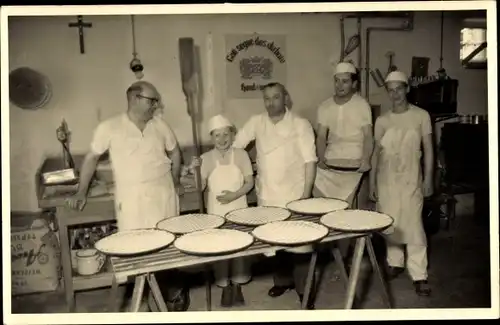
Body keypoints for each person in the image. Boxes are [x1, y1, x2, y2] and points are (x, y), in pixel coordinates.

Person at [66, 80, 190, 311]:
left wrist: (175, 181)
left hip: (163, 194)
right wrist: (81, 191)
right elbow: (92, 158)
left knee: (167, 249)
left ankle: (172, 294)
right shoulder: (109, 127)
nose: (156, 105)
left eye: (156, 101)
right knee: (136, 251)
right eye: (152, 100)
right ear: (134, 99)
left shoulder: (160, 125)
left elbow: (175, 152)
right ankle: (152, 301)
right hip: (132, 198)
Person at [232, 82, 317, 309]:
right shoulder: (256, 122)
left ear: (286, 98)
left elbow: (310, 161)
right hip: (268, 194)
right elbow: (235, 146)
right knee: (275, 244)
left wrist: (306, 194)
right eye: (267, 98)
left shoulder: (300, 124)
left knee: (300, 248)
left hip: (295, 194)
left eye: (276, 97)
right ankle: (282, 281)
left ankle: (305, 293)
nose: (271, 103)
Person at [369, 70, 434, 296]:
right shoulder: (382, 120)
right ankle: (395, 262)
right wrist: (372, 184)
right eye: (390, 89)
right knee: (391, 222)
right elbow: (376, 154)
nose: (395, 94)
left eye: (399, 88)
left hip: (411, 179)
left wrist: (428, 179)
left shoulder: (421, 116)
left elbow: (429, 150)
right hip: (386, 179)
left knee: (414, 226)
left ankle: (419, 274)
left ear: (407, 89)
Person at [191, 114, 255, 307]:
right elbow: (199, 187)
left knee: (239, 246)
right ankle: (224, 286)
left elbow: (249, 182)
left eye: (225, 134)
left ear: (232, 135)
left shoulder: (241, 154)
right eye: (217, 135)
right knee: (220, 248)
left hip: (238, 208)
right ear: (211, 138)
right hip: (216, 211)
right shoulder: (205, 159)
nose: (222, 139)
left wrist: (233, 196)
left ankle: (237, 285)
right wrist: (195, 170)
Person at [313, 61, 374, 261]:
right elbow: (321, 137)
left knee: (346, 212)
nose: (340, 86)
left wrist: (365, 160)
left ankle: (346, 255)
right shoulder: (325, 106)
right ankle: (326, 249)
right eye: (337, 81)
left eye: (345, 82)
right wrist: (321, 158)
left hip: (354, 163)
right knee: (319, 204)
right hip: (330, 162)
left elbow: (368, 136)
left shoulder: (361, 105)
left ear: (353, 84)